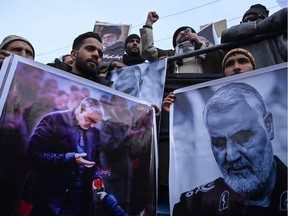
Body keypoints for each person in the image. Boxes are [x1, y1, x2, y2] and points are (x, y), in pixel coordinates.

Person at [173, 82, 287, 216]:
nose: (231, 156)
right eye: (219, 143)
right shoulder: (193, 205)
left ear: (268, 126)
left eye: (244, 138)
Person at [15, 97, 105, 215]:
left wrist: (96, 179)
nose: (92, 125)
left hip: (77, 202)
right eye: (90, 120)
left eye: (96, 122)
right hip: (48, 196)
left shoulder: (95, 132)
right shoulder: (53, 120)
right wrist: (68, 158)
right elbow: (31, 155)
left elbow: (96, 163)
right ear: (82, 109)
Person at [140, 11, 213, 74]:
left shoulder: (207, 49)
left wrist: (199, 44)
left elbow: (218, 59)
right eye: (179, 34)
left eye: (186, 32)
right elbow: (148, 51)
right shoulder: (169, 54)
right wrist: (148, 24)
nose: (182, 34)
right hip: (175, 88)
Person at [221, 5, 287, 69]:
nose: (248, 22)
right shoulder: (236, 40)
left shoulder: (277, 36)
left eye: (253, 18)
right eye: (245, 21)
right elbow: (225, 35)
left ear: (265, 19)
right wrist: (257, 26)